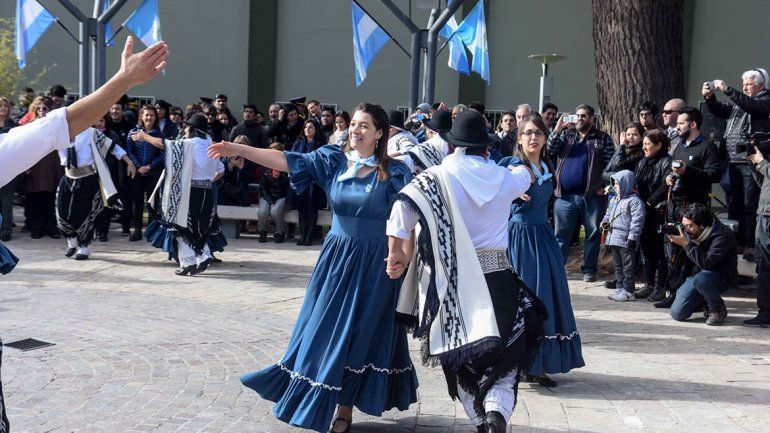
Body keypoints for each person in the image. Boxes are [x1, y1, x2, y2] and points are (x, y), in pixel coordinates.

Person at [210, 102, 418, 433]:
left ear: (380, 133)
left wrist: (402, 256)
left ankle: (344, 409)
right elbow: (287, 161)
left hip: (376, 263)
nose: (356, 130)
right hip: (337, 258)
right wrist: (239, 148)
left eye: (365, 126)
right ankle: (312, 394)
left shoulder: (394, 172)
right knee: (322, 328)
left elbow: (406, 220)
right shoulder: (333, 159)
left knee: (362, 334)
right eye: (354, 124)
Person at [0, 35, 169, 433]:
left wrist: (123, 81)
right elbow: (53, 128)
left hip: (86, 180)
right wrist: (123, 80)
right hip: (70, 180)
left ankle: (82, 245)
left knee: (80, 218)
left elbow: (54, 126)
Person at [386, 109, 546, 433]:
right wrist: (525, 160)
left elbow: (401, 209)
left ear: (452, 145)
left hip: (451, 284)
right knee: (505, 355)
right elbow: (527, 174)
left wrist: (397, 254)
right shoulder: (504, 178)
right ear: (487, 148)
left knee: (458, 356)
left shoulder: (434, 179)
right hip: (497, 279)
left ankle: (480, 421)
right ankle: (495, 413)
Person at [498, 117, 584, 389]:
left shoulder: (546, 166)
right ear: (519, 139)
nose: (533, 137)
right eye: (527, 133)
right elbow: (494, 186)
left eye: (538, 133)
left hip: (543, 237)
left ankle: (539, 364)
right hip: (520, 239)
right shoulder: (513, 167)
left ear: (546, 138)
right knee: (524, 298)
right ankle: (519, 363)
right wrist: (510, 193)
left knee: (548, 296)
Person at [132, 113, 224, 276]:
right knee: (200, 227)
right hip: (207, 192)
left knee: (180, 226)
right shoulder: (210, 145)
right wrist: (207, 179)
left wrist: (145, 136)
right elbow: (221, 170)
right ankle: (204, 256)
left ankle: (189, 262)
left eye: (187, 127)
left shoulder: (189, 144)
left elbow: (164, 144)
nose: (185, 129)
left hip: (189, 191)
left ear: (193, 129)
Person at [656, 106, 722, 308]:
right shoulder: (680, 146)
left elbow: (715, 175)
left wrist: (689, 171)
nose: (677, 127)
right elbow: (673, 169)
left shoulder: (708, 147)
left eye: (681, 123)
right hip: (675, 205)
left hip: (694, 210)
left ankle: (696, 298)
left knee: (691, 254)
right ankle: (674, 294)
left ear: (693, 124)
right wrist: (669, 178)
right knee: (673, 253)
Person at [704, 69, 770, 262]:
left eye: (748, 84)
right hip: (732, 161)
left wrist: (727, 89)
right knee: (734, 204)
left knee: (750, 204)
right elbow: (720, 110)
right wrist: (710, 98)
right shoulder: (741, 102)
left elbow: (753, 106)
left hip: (751, 162)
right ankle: (737, 243)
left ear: (760, 85)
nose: (744, 88)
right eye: (743, 85)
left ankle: (750, 244)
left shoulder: (764, 100)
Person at [548, 104, 615, 282]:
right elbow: (550, 150)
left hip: (592, 196)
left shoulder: (602, 138)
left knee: (592, 235)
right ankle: (557, 268)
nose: (579, 119)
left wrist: (605, 185)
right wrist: (557, 128)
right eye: (577, 116)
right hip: (565, 196)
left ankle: (589, 270)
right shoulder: (566, 135)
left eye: (584, 116)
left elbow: (612, 165)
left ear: (592, 118)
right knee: (561, 235)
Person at [56, 123, 136, 259]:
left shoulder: (92, 133)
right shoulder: (61, 132)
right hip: (68, 177)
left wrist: (129, 162)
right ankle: (72, 241)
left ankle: (84, 247)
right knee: (62, 212)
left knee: (84, 213)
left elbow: (113, 147)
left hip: (86, 178)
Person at [666, 203, 737, 326]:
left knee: (702, 280)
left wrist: (686, 245)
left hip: (720, 276)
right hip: (697, 276)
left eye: (689, 226)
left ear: (702, 226)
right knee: (677, 313)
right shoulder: (690, 233)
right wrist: (675, 243)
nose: (685, 230)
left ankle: (718, 309)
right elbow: (681, 263)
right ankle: (703, 302)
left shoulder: (723, 235)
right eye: (684, 225)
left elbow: (707, 263)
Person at [634, 129, 672, 301]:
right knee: (646, 249)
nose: (644, 147)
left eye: (648, 144)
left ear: (659, 145)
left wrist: (649, 202)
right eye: (644, 144)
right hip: (643, 212)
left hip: (658, 211)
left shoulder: (667, 162)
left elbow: (666, 186)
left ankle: (660, 286)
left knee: (660, 251)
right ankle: (649, 284)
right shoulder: (642, 162)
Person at [601, 170, 646, 302]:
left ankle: (629, 290)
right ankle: (620, 287)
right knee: (618, 265)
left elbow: (637, 221)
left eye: (617, 183)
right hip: (614, 238)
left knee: (628, 266)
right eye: (614, 183)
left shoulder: (635, 202)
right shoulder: (614, 200)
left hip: (626, 240)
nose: (614, 186)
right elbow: (608, 215)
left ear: (626, 184)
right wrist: (604, 223)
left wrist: (633, 237)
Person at [23, 96, 63, 239]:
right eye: (38, 108)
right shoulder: (29, 126)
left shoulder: (56, 125)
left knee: (51, 197)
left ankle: (52, 228)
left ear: (50, 110)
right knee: (35, 198)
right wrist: (25, 164)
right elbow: (24, 147)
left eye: (44, 108)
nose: (41, 110)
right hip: (35, 164)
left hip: (52, 164)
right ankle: (36, 228)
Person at [125, 105, 164, 241]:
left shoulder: (159, 134)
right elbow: (129, 151)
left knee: (152, 202)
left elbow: (163, 153)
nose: (149, 117)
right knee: (137, 202)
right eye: (146, 115)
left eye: (152, 115)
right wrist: (138, 166)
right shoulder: (133, 132)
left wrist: (150, 166)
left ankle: (152, 231)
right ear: (141, 116)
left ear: (155, 117)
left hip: (153, 172)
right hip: (137, 172)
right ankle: (137, 230)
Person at [290, 119, 328, 246]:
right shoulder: (298, 143)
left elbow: (322, 162)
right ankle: (302, 235)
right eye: (306, 127)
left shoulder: (321, 144)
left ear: (316, 129)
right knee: (302, 209)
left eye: (310, 127)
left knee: (311, 208)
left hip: (314, 181)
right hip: (301, 179)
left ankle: (309, 236)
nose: (307, 129)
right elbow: (293, 158)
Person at [744, 146, 770, 326]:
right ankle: (765, 312)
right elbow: (765, 185)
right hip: (764, 214)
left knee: (766, 265)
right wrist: (754, 167)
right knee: (763, 266)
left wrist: (762, 163)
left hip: (768, 216)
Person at [399, 109, 451, 174]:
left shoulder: (430, 145)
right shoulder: (452, 144)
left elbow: (405, 161)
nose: (418, 114)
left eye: (420, 112)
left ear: (430, 131)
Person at [257, 142, 289, 243]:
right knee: (262, 212)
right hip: (267, 195)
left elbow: (287, 187)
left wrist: (279, 178)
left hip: (281, 195)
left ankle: (280, 232)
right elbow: (262, 186)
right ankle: (262, 232)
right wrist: (269, 199)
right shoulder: (265, 166)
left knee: (275, 211)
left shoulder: (286, 166)